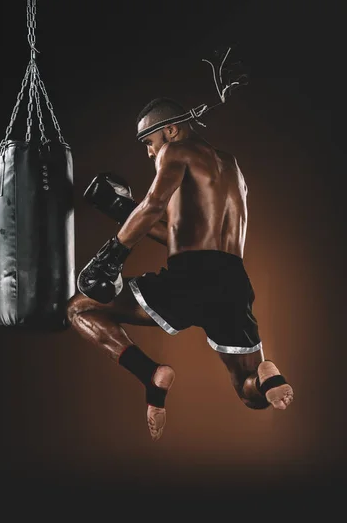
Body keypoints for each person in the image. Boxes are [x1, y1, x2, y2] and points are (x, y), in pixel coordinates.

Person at [67, 97, 294, 441]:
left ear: (170, 130)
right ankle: (266, 375)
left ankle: (151, 374)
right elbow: (179, 232)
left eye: (149, 143)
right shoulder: (231, 166)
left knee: (79, 307)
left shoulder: (176, 152)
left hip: (190, 277)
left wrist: (112, 253)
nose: (149, 153)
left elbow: (153, 205)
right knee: (250, 395)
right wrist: (121, 209)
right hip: (233, 280)